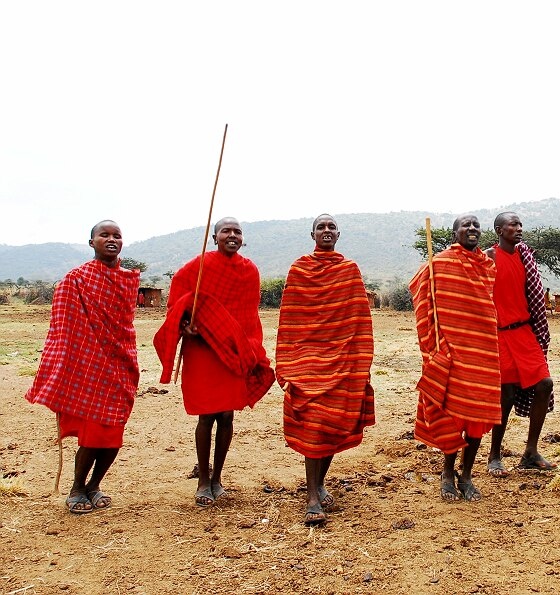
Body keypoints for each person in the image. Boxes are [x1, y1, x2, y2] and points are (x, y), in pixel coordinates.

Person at [154, 217, 274, 507]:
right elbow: (178, 297)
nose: (232, 235)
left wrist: (249, 345)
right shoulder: (199, 266)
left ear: (243, 238)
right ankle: (203, 481)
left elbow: (248, 313)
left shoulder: (250, 271)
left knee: (227, 415)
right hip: (204, 349)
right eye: (226, 231)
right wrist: (185, 324)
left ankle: (218, 477)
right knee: (207, 415)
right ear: (215, 237)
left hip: (234, 348)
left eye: (237, 232)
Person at [25, 220, 141, 514]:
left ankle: (95, 485)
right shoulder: (75, 279)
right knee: (92, 435)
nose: (111, 239)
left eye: (117, 235)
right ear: (92, 243)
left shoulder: (128, 280)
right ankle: (77, 487)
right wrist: (64, 363)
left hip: (121, 364)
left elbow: (124, 325)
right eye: (104, 235)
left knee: (113, 435)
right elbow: (62, 327)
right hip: (90, 366)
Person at [276, 214, 375, 525]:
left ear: (339, 234)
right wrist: (290, 362)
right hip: (307, 360)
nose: (327, 231)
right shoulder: (299, 269)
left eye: (332, 227)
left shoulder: (349, 270)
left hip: (343, 358)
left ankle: (319, 483)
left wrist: (360, 359)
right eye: (322, 226)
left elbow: (359, 318)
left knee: (334, 423)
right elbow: (291, 318)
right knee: (315, 424)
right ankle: (311, 497)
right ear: (312, 233)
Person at [410, 214, 502, 501]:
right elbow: (420, 296)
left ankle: (467, 475)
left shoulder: (487, 266)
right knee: (453, 415)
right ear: (455, 233)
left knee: (478, 415)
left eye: (476, 225)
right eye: (466, 225)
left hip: (483, 349)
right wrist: (432, 347)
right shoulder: (439, 264)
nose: (472, 229)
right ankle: (448, 473)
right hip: (451, 350)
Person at [484, 212, 556, 477]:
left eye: (520, 224)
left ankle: (530, 451)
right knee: (506, 395)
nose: (519, 228)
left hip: (524, 332)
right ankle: (494, 455)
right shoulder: (489, 257)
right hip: (499, 333)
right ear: (499, 230)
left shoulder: (525, 256)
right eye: (513, 224)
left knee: (545, 384)